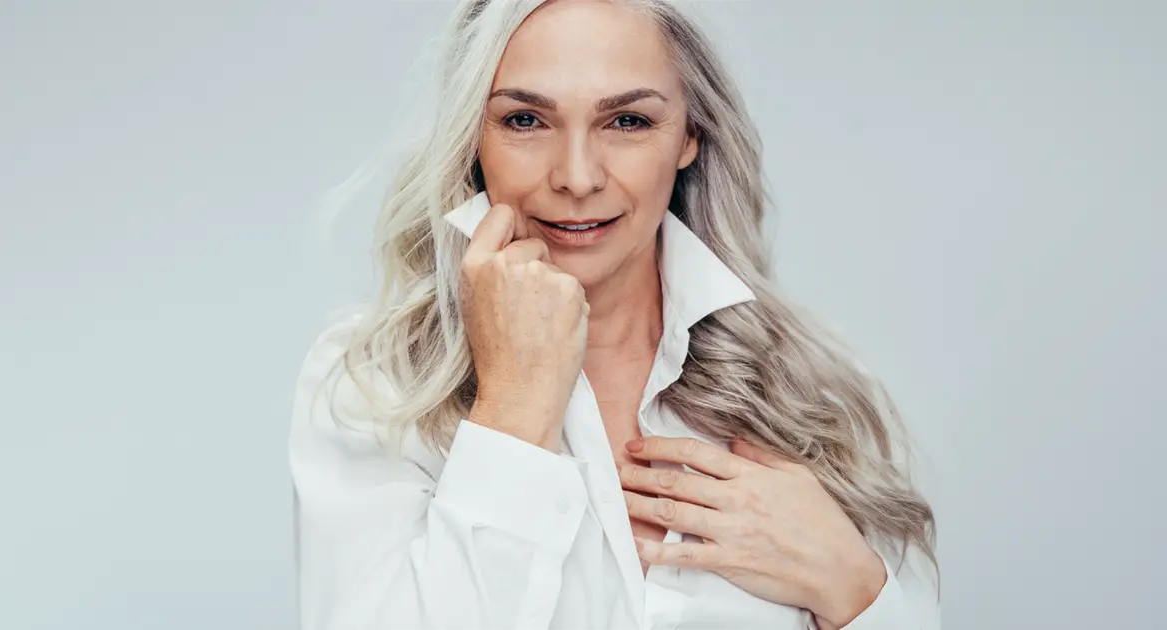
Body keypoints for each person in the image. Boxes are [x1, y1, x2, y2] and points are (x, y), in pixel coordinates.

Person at [289, 0, 940, 628]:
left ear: (690, 135)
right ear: (472, 139)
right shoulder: (376, 383)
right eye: (525, 120)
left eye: (627, 121)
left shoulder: (814, 389)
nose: (576, 176)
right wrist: (514, 408)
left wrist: (852, 585)